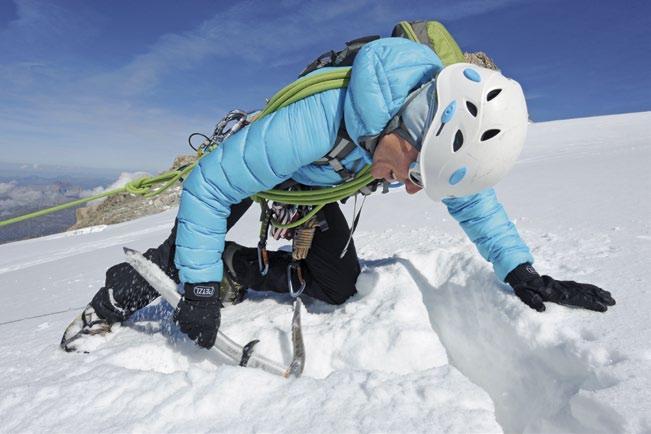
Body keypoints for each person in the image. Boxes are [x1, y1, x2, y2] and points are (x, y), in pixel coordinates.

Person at [61, 37, 615, 352]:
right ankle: (111, 302)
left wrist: (521, 270)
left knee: (337, 283)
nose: (410, 186)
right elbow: (207, 186)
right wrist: (198, 290)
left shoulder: (411, 137)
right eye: (415, 170)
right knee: (187, 247)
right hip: (262, 168)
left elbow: (469, 198)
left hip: (314, 186)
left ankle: (235, 268)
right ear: (409, 131)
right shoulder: (320, 120)